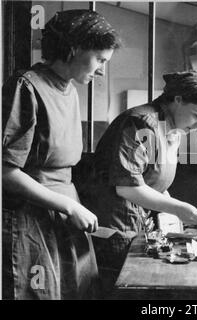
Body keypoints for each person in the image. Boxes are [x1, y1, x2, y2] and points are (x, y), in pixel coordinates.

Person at [2, 10, 121, 299]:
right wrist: (68, 207)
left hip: (65, 212)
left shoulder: (70, 90)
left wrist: (71, 207)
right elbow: (5, 171)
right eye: (100, 59)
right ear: (73, 49)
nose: (103, 70)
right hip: (30, 216)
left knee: (75, 290)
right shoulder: (26, 86)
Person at [81, 70, 197, 290]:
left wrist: (176, 214)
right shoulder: (141, 123)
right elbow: (127, 187)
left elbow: (154, 182)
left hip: (138, 226)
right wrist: (179, 208)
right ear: (178, 100)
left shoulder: (172, 129)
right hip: (115, 229)